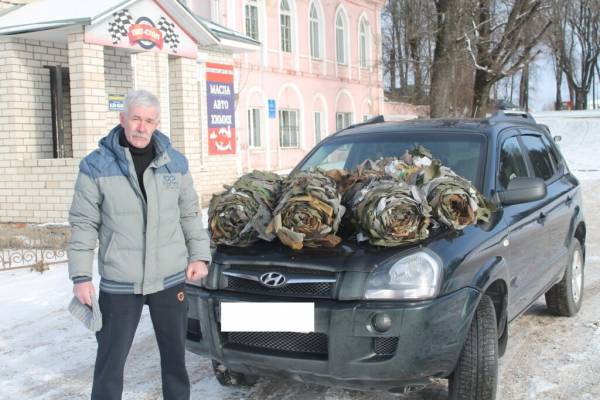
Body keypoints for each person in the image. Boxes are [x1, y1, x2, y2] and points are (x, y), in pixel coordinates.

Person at [68, 89, 211, 400]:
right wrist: (81, 277)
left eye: (149, 120)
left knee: (175, 360)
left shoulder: (175, 162)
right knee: (110, 363)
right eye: (135, 119)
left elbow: (189, 213)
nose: (142, 127)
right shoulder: (96, 166)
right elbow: (84, 223)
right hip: (121, 281)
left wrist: (200, 255)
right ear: (122, 119)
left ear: (157, 123)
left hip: (170, 279)